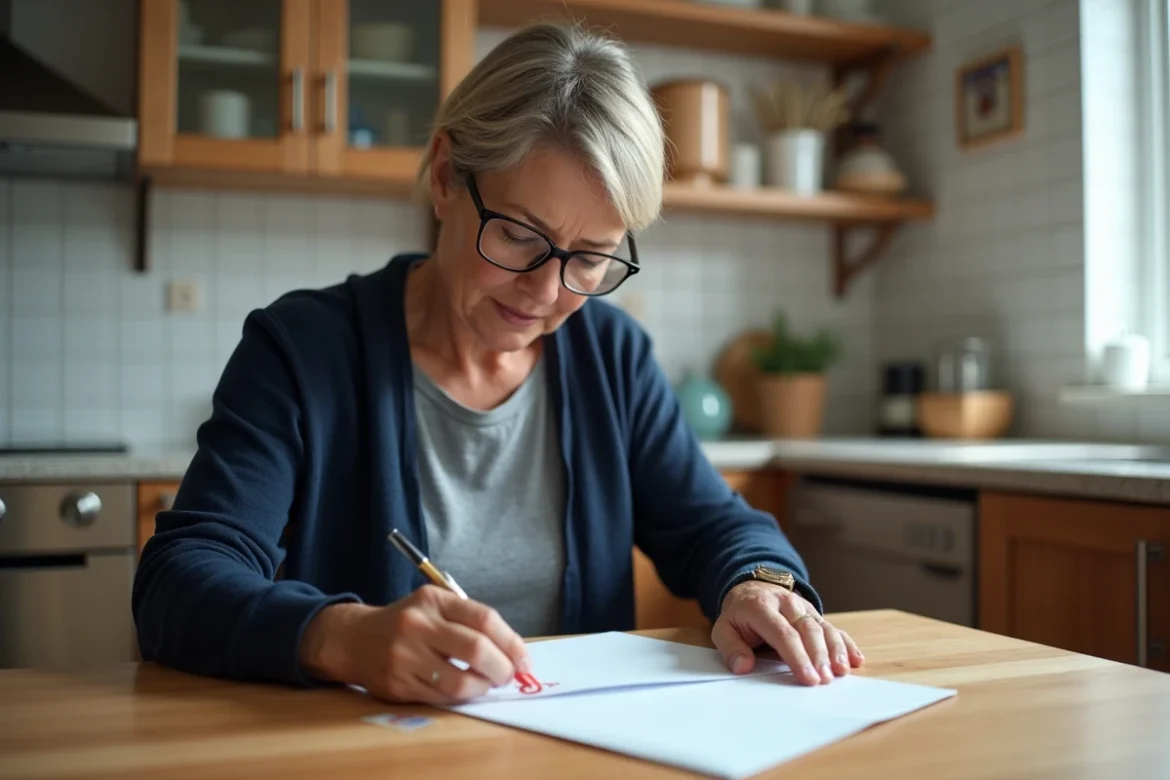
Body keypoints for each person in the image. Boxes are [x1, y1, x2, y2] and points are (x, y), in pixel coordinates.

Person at [132, 22, 864, 705]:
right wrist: (340, 636)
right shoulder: (303, 349)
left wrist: (758, 585)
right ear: (445, 176)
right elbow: (179, 580)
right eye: (518, 236)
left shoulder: (611, 356)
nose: (545, 292)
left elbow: (714, 526)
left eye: (591, 258)